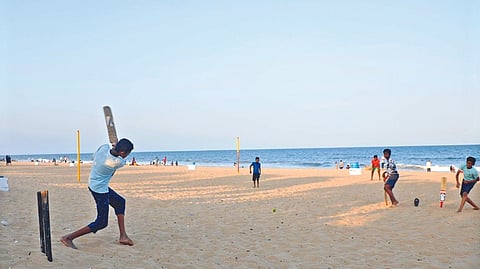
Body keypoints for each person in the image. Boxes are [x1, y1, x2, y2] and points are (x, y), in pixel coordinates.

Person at [60, 138, 135, 249]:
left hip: (93, 182)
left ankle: (123, 236)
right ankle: (68, 238)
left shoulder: (104, 147)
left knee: (120, 202)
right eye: (126, 154)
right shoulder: (116, 162)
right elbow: (121, 160)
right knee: (101, 222)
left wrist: (115, 147)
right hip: (99, 190)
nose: (126, 157)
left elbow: (94, 156)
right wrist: (117, 149)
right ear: (122, 153)